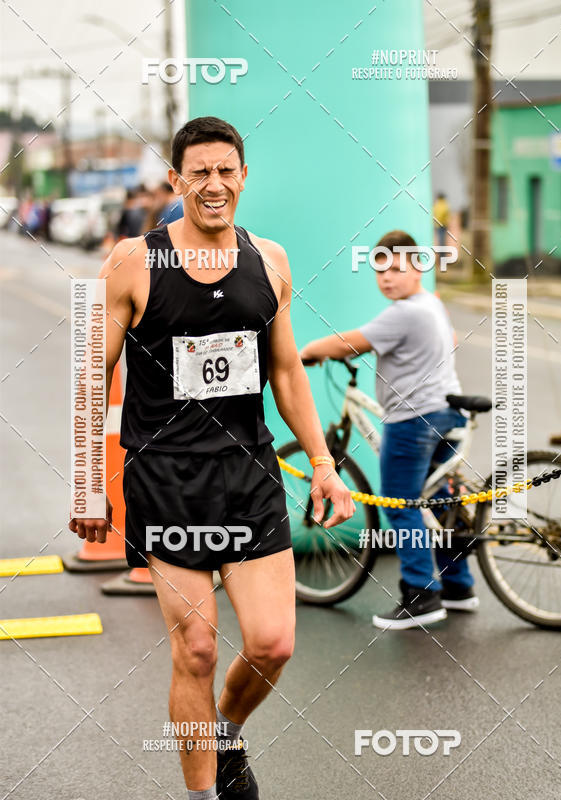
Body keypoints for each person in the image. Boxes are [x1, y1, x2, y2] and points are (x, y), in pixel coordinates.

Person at [69, 115, 354, 800]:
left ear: (244, 177)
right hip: (166, 482)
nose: (214, 184)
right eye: (199, 172)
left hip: (248, 479)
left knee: (272, 644)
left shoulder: (272, 261)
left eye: (226, 170)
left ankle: (225, 733)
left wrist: (322, 464)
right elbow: (90, 377)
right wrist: (86, 484)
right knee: (196, 650)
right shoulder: (134, 263)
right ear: (177, 180)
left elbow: (286, 373)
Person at [299, 229, 477, 631]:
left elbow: (350, 344)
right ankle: (458, 587)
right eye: (380, 270)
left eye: (397, 269)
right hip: (448, 412)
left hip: (414, 419)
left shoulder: (404, 312)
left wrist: (305, 352)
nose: (387, 278)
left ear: (418, 269)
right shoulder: (431, 304)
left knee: (400, 504)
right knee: (439, 502)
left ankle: (421, 595)